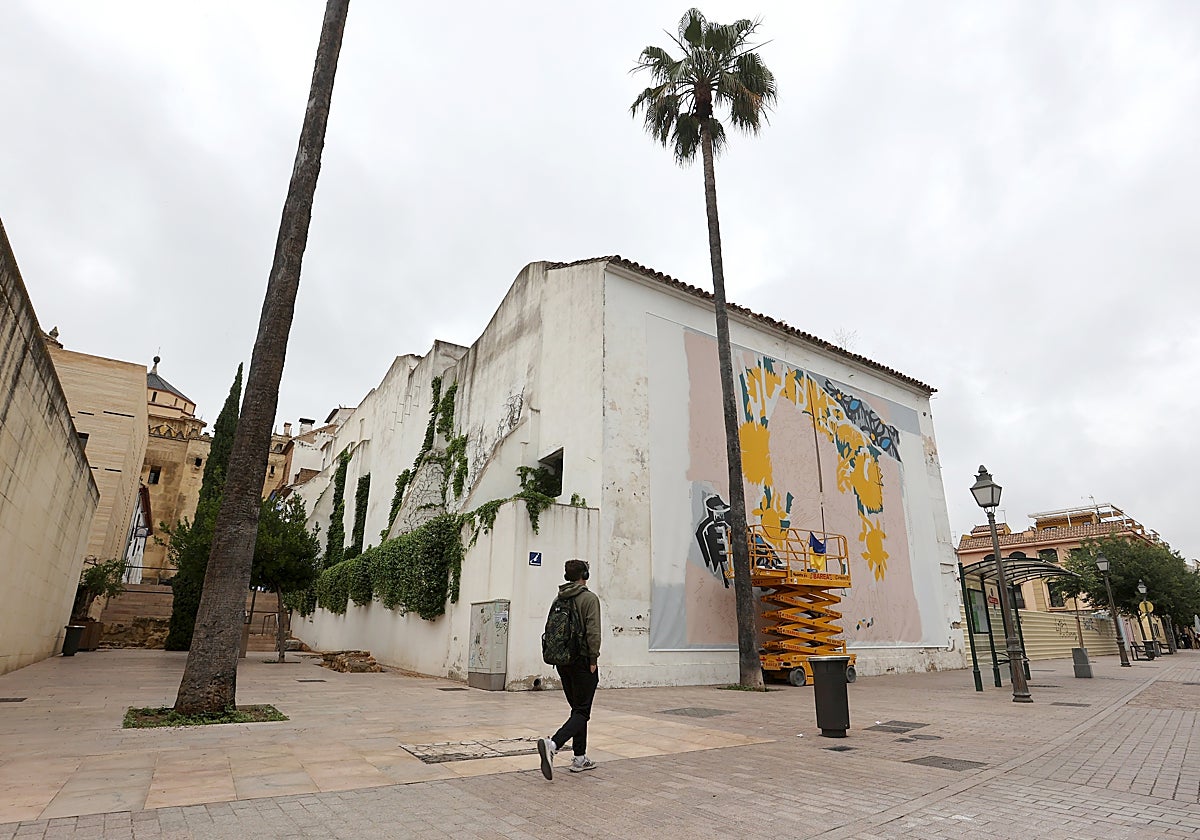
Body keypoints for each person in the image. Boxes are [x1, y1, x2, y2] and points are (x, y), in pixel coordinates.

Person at [538, 558, 601, 779]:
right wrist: (593, 659)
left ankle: (580, 758)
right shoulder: (589, 598)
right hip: (583, 661)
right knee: (583, 711)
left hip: (563, 662)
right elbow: (593, 631)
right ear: (585, 574)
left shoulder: (559, 598)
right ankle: (553, 744)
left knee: (577, 711)